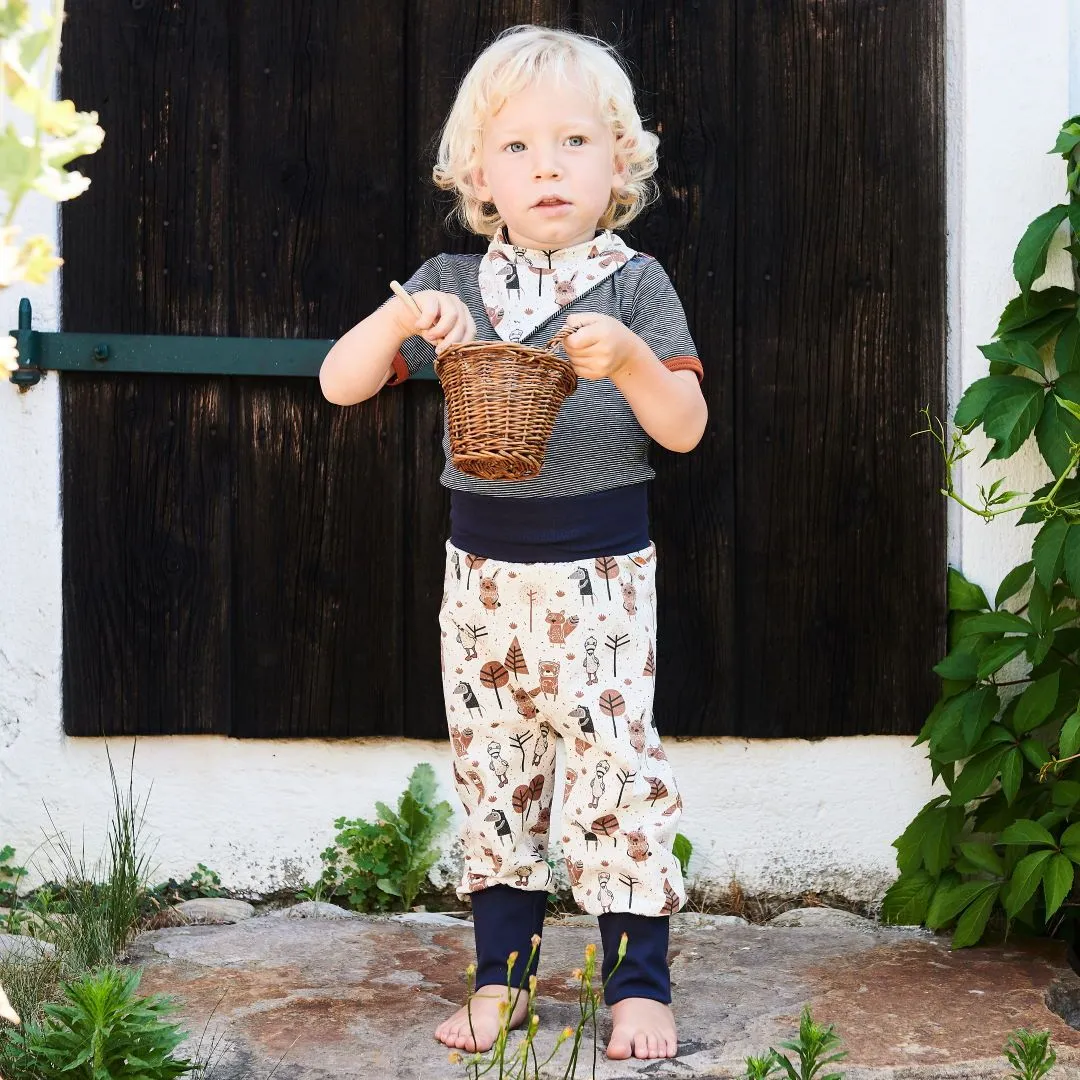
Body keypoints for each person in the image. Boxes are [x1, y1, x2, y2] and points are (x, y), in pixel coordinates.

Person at [319, 23, 707, 1062]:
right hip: (485, 574)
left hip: (604, 573)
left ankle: (637, 986)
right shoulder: (457, 278)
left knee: (614, 769)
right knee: (497, 770)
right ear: (477, 175)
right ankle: (504, 983)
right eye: (521, 148)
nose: (548, 167)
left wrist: (627, 360)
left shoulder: (633, 283)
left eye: (575, 142)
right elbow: (339, 382)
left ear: (618, 161)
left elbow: (682, 427)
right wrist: (404, 317)